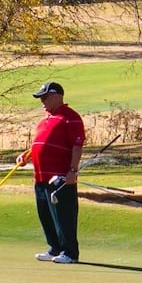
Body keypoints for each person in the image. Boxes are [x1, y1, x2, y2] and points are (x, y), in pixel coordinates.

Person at [29, 81, 85, 263]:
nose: (42, 102)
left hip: (60, 178)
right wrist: (26, 154)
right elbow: (41, 143)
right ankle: (55, 248)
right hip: (40, 176)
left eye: (45, 97)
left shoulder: (70, 117)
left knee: (63, 216)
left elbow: (77, 145)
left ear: (56, 97)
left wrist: (73, 171)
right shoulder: (45, 119)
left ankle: (70, 253)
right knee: (46, 215)